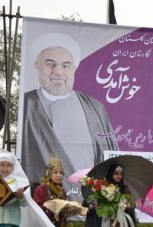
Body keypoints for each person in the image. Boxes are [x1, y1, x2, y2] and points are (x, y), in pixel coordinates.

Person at [21, 33, 118, 195]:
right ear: (37, 65)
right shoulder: (27, 104)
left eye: (66, 65)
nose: (58, 71)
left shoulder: (95, 107)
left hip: (90, 196)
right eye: (50, 64)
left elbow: (110, 154)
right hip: (47, 198)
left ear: (74, 68)